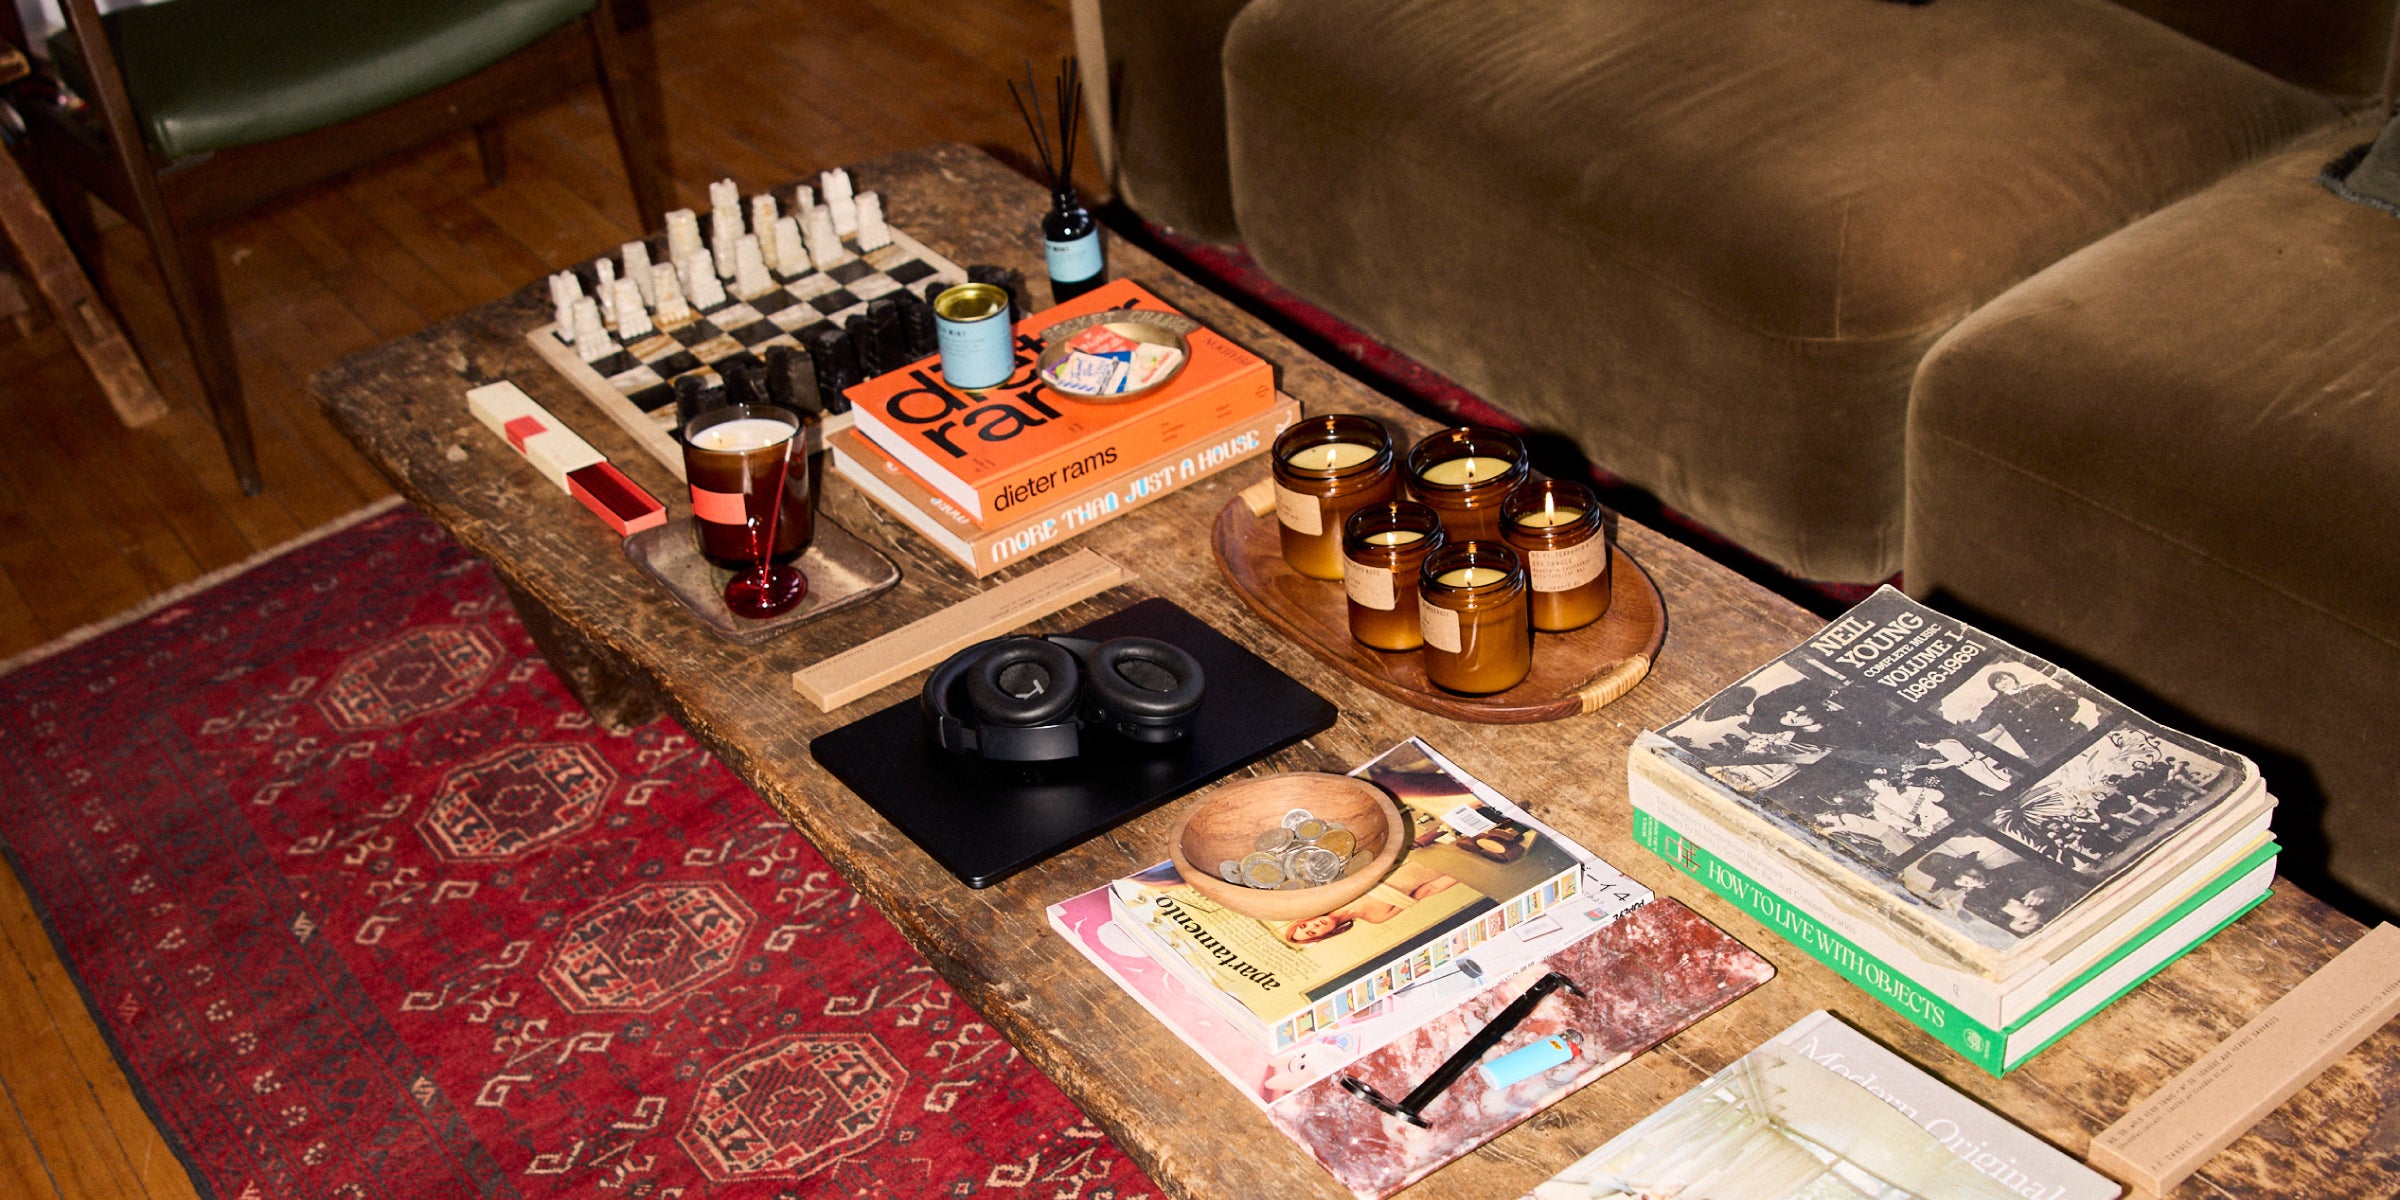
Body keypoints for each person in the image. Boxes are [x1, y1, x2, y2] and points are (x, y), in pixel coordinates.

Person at [1282, 861, 1458, 944]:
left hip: (1424, 845)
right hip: (1446, 865)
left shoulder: (1334, 893)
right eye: (1313, 933)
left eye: (1305, 926)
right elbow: (1427, 890)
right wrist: (1463, 872)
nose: (1314, 926)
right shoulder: (1376, 917)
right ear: (1325, 935)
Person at [1964, 670, 2087, 761]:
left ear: (2013, 677)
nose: (2003, 683)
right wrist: (1964, 721)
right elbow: (1981, 727)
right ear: (1995, 688)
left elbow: (2070, 705)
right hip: (2041, 748)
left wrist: (2065, 720)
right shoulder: (1997, 706)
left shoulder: (2039, 688)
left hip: (2066, 734)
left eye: (2004, 678)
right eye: (1997, 682)